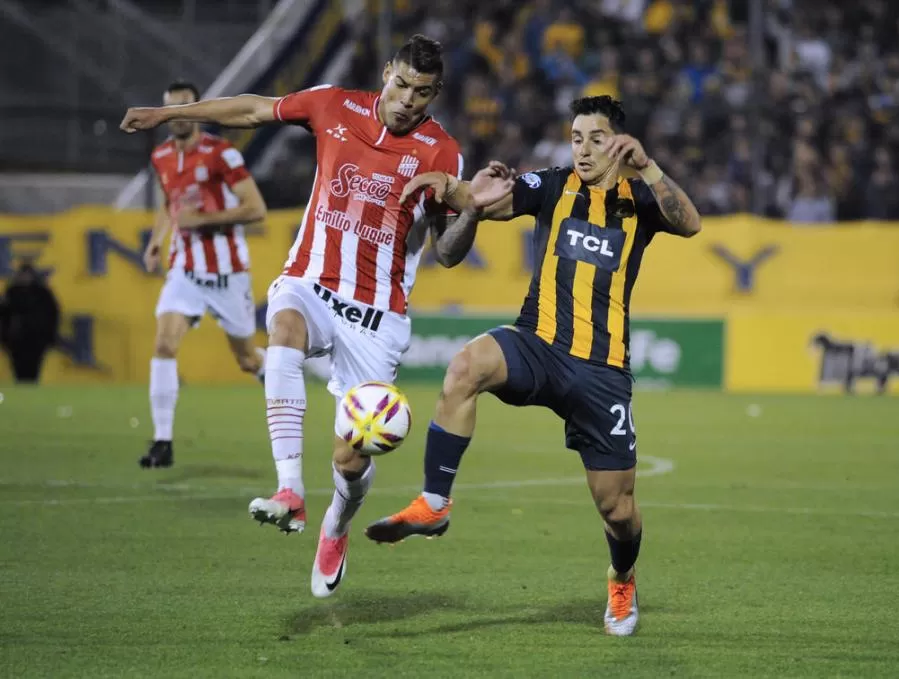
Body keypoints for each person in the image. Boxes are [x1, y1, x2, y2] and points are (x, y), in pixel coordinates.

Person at [120, 35, 512, 598]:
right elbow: (254, 109)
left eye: (421, 92)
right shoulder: (334, 105)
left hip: (377, 316)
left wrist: (469, 207)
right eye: (400, 84)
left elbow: (447, 253)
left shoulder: (441, 152)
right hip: (311, 283)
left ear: (435, 94)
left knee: (350, 460)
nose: (406, 100)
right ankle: (289, 492)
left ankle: (337, 524)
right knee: (281, 330)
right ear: (386, 73)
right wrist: (171, 114)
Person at [365, 95, 702, 636]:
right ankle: (434, 501)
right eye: (576, 137)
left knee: (617, 509)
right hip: (536, 344)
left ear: (619, 142)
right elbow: (485, 197)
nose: (583, 149)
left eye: (596, 138)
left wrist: (650, 167)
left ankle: (622, 576)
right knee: (464, 367)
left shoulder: (639, 198)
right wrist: (444, 183)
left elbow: (691, 224)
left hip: (601, 370)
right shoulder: (551, 185)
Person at [137, 81, 268, 470]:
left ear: (198, 109)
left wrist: (203, 220)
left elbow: (255, 208)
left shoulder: (220, 153)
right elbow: (169, 201)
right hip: (185, 270)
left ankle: (271, 374)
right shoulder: (161, 156)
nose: (177, 116)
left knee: (245, 359)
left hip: (228, 273)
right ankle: (163, 441)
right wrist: (158, 240)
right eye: (171, 109)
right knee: (164, 344)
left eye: (185, 107)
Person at [0, 261, 60, 383]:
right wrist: (5, 336)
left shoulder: (43, 294)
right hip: (15, 340)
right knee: (19, 371)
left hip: (37, 339)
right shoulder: (11, 293)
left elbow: (52, 316)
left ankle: (31, 394)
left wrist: (49, 336)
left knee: (33, 370)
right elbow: (4, 316)